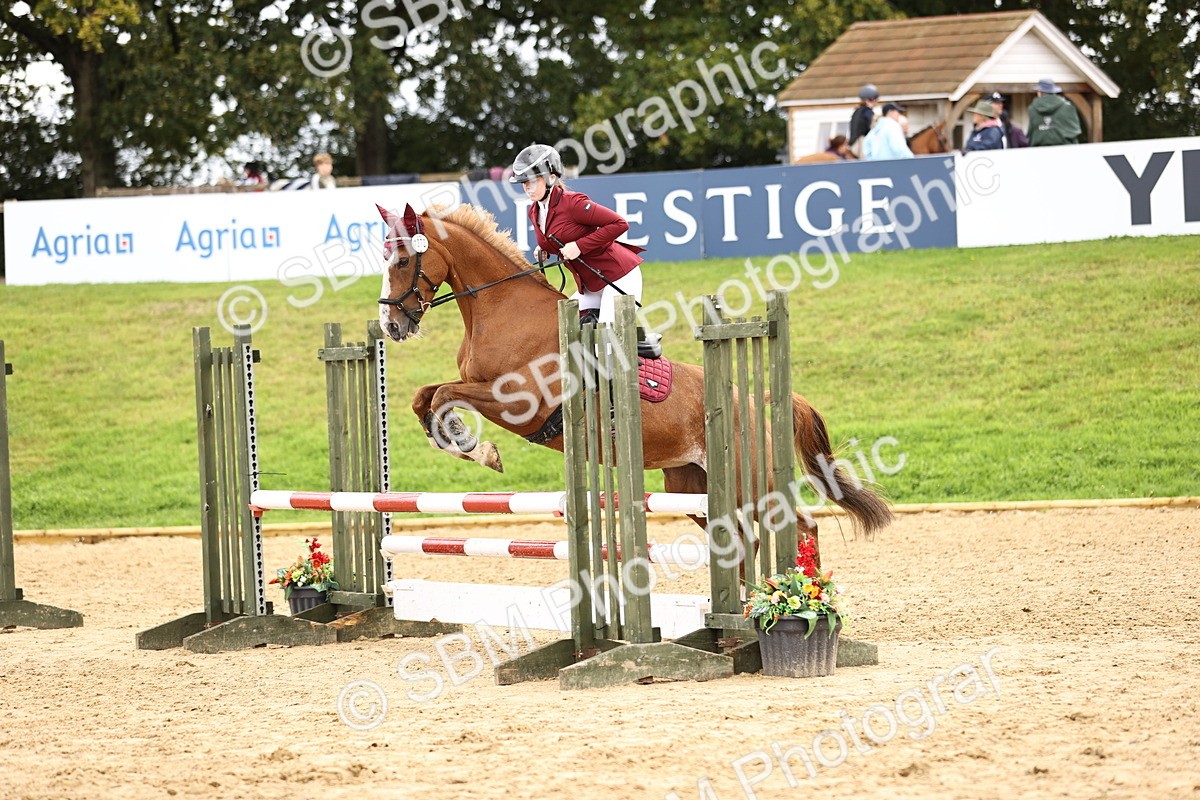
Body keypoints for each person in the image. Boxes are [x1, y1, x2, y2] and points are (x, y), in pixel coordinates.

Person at [510, 143, 644, 325]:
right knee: (562, 328)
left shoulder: (574, 203)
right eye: (524, 182)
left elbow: (619, 224)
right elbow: (561, 237)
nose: (527, 187)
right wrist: (545, 248)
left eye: (533, 181)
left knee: (606, 344)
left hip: (619, 277)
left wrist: (580, 246)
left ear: (550, 177)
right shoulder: (534, 211)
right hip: (590, 287)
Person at [1028, 79, 1082, 146]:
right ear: (1054, 92)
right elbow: (1074, 131)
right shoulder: (1067, 107)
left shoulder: (1032, 109)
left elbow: (1030, 134)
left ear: (1039, 92)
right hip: (1065, 151)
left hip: (1040, 152)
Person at [847, 84, 879, 158]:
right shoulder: (868, 112)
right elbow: (873, 128)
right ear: (871, 99)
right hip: (861, 143)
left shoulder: (857, 111)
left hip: (853, 143)